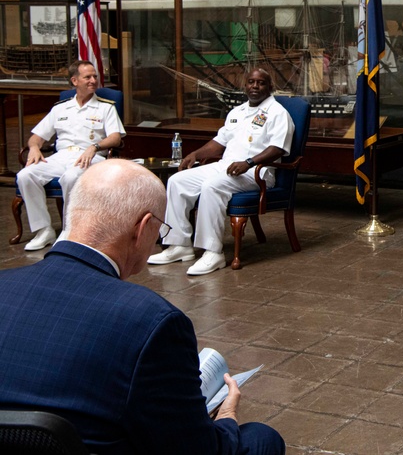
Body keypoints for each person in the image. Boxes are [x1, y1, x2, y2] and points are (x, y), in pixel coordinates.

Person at [0, 159, 285, 455]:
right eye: (160, 228)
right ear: (144, 227)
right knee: (261, 438)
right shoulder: (150, 321)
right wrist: (225, 418)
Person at [149, 68, 294, 276]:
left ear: (270, 87)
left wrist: (248, 162)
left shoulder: (278, 113)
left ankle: (212, 252)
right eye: (251, 82)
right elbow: (219, 142)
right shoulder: (237, 112)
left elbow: (278, 148)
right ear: (245, 86)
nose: (255, 86)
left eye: (261, 83)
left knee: (212, 186)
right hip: (226, 166)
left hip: (255, 173)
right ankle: (179, 245)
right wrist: (196, 155)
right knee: (178, 181)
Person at [16, 59, 124, 251]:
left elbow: (115, 138)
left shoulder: (105, 107)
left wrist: (94, 147)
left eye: (95, 76)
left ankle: (69, 231)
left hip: (91, 156)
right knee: (25, 175)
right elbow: (36, 138)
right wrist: (34, 148)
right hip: (61, 156)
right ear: (74, 81)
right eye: (87, 77)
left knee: (71, 177)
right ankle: (43, 230)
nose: (93, 80)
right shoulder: (60, 108)